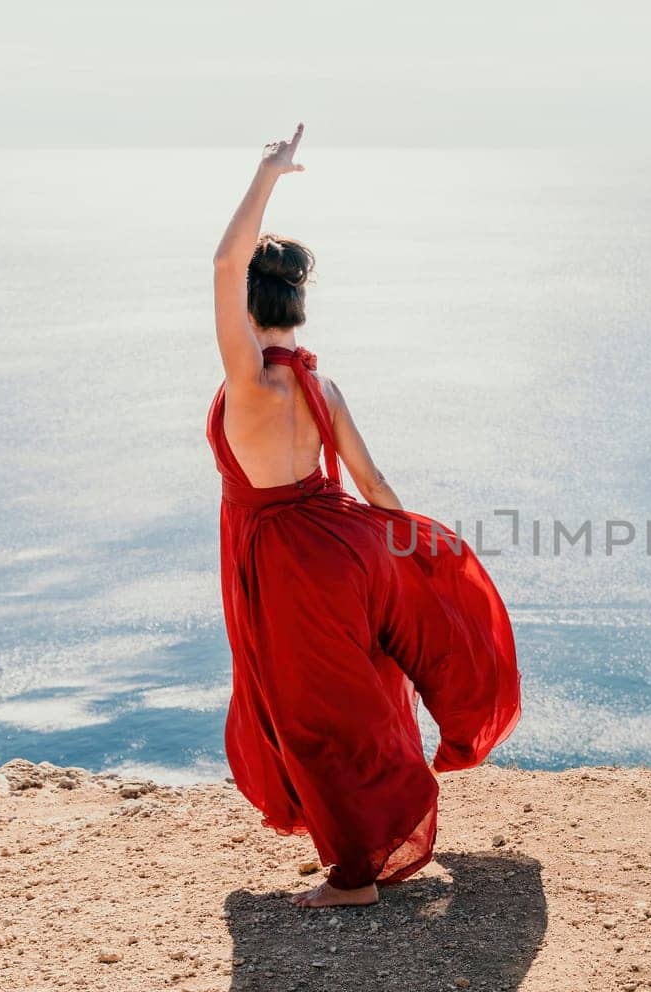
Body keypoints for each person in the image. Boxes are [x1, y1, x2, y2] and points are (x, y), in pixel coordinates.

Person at [206, 123, 521, 907]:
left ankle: (354, 876)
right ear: (298, 304)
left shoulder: (252, 384)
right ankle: (362, 842)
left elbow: (220, 259)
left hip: (286, 560)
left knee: (311, 717)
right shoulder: (321, 386)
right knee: (351, 698)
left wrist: (266, 175)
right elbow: (374, 480)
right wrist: (413, 550)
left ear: (249, 303)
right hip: (348, 541)